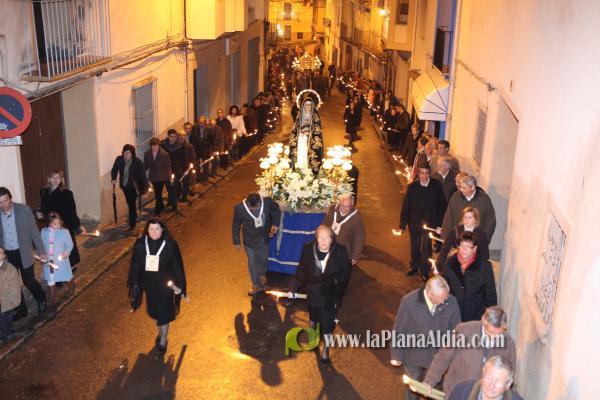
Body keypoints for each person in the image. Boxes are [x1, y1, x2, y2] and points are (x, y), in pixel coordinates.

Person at [390, 276, 461, 400]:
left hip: (437, 357)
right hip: (413, 355)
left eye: (445, 297)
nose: (444, 301)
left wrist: (453, 355)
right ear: (429, 294)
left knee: (434, 389)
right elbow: (400, 329)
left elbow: (455, 330)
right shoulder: (409, 302)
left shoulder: (451, 301)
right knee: (412, 387)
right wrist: (396, 355)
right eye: (441, 298)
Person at [288, 225, 352, 363]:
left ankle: (326, 348)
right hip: (313, 292)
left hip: (330, 294)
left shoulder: (340, 251)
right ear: (316, 238)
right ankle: (313, 337)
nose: (323, 241)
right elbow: (301, 271)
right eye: (320, 238)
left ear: (332, 239)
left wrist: (335, 288)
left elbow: (345, 274)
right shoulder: (307, 250)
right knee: (313, 316)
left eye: (326, 238)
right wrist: (293, 288)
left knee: (327, 323)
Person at [424, 306, 517, 396]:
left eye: (498, 334)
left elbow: (509, 375)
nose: (493, 338)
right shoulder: (464, 330)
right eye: (490, 332)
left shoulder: (508, 343)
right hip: (457, 392)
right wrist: (429, 381)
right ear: (484, 322)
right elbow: (443, 358)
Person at [128, 219, 186, 353]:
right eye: (151, 229)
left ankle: (163, 340)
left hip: (166, 286)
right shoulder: (141, 244)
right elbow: (135, 266)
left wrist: (181, 285)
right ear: (147, 231)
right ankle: (161, 334)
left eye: (157, 229)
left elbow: (178, 267)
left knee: (163, 314)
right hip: (150, 286)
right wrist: (135, 284)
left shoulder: (170, 245)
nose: (154, 232)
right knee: (155, 313)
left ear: (162, 230)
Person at [0, 187, 47, 318]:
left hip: (24, 251)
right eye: (0, 202)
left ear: (10, 199)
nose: (3, 205)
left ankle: (41, 298)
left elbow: (34, 231)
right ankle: (21, 310)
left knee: (28, 281)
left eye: (5, 200)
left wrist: (41, 251)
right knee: (13, 284)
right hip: (7, 254)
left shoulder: (24, 210)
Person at [399, 166, 446, 279]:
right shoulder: (412, 187)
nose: (424, 176)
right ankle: (414, 266)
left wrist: (440, 224)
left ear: (430, 173)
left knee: (426, 248)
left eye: (426, 173)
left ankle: (425, 271)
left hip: (430, 224)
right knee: (415, 246)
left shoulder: (436, 186)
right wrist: (402, 224)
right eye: (422, 173)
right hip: (414, 223)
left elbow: (442, 206)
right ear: (418, 174)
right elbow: (406, 206)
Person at [232, 192, 281, 296]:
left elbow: (276, 210)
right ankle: (255, 285)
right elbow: (236, 224)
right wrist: (236, 241)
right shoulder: (240, 208)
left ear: (260, 202)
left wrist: (275, 224)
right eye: (251, 207)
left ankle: (263, 279)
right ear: (247, 203)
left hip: (264, 237)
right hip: (249, 240)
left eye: (256, 207)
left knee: (263, 259)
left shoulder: (268, 202)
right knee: (252, 262)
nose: (254, 209)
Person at [443, 232, 497, 321]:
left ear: (474, 248)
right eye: (461, 246)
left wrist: (491, 317)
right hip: (453, 313)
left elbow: (490, 295)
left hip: (474, 315)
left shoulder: (484, 266)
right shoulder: (450, 263)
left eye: (467, 247)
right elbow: (444, 287)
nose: (463, 250)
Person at [38, 170, 83, 271]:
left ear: (61, 179)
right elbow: (44, 209)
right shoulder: (44, 192)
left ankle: (70, 267)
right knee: (54, 248)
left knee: (66, 246)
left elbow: (72, 211)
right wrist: (41, 215)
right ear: (49, 179)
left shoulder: (67, 193)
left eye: (58, 177)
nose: (55, 180)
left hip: (64, 225)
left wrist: (77, 226)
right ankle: (57, 267)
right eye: (53, 177)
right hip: (51, 226)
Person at [442, 175, 497, 242]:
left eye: (464, 188)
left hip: (476, 240)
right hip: (457, 239)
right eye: (461, 187)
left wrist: (483, 239)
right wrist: (445, 238)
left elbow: (490, 221)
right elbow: (448, 219)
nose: (461, 190)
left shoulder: (484, 199)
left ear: (472, 187)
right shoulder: (455, 197)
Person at [447, 356, 523, 400]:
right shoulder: (462, 391)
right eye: (489, 378)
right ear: (483, 375)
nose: (491, 385)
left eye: (498, 381)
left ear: (508, 384)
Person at [111, 144, 149, 229]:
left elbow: (142, 173)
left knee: (131, 203)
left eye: (128, 153)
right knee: (130, 202)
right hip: (124, 186)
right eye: (125, 153)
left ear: (132, 153)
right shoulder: (119, 159)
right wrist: (113, 178)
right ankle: (134, 216)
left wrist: (146, 185)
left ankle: (132, 222)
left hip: (134, 186)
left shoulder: (137, 161)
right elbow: (114, 169)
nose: (126, 155)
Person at [41, 212, 75, 304]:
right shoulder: (44, 232)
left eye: (58, 223)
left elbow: (70, 244)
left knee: (66, 276)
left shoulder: (64, 232)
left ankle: (71, 287)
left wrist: (66, 252)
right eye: (54, 224)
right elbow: (41, 245)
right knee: (50, 278)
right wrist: (42, 254)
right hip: (49, 261)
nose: (57, 226)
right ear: (49, 223)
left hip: (61, 261)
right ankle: (52, 295)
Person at [321, 195, 365, 265]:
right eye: (342, 205)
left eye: (347, 207)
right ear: (339, 203)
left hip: (344, 251)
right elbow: (324, 225)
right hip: (329, 247)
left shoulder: (356, 218)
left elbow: (359, 238)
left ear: (352, 206)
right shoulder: (332, 209)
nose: (344, 209)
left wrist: (355, 256)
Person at [289, 94, 324, 173]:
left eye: (309, 105)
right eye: (306, 105)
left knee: (310, 157)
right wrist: (300, 133)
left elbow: (318, 130)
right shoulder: (300, 116)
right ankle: (300, 170)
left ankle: (310, 172)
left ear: (312, 106)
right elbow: (295, 129)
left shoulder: (315, 116)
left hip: (310, 140)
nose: (308, 107)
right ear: (303, 106)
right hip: (301, 139)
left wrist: (310, 133)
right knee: (301, 156)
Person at [143, 137, 174, 216]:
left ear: (159, 145)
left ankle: (157, 210)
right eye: (153, 145)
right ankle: (161, 206)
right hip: (153, 176)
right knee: (158, 193)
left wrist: (170, 176)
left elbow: (168, 165)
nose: (155, 147)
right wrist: (142, 172)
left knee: (158, 193)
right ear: (151, 146)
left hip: (162, 176)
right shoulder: (147, 153)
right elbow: (145, 165)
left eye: (156, 145)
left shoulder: (164, 154)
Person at [0, 246, 22, 341]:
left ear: (4, 256)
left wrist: (12, 301)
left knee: (4, 319)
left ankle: (8, 334)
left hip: (8, 300)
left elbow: (15, 287)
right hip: (4, 300)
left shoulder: (9, 270)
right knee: (6, 319)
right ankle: (9, 331)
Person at [161, 130, 186, 209]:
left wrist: (183, 169)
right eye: (171, 137)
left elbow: (183, 158)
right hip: (166, 170)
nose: (173, 139)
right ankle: (170, 201)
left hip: (176, 170)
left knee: (174, 187)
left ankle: (174, 205)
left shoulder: (180, 146)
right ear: (168, 136)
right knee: (168, 187)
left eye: (175, 137)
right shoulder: (163, 145)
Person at [190, 116, 213, 184]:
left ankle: (205, 179)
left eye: (203, 122)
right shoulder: (194, 128)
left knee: (205, 165)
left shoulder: (209, 129)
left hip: (206, 149)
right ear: (198, 122)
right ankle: (198, 178)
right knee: (197, 164)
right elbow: (192, 138)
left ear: (205, 122)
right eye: (200, 122)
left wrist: (213, 149)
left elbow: (212, 139)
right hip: (197, 149)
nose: (201, 124)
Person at [178, 131, 197, 202]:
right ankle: (178, 195)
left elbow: (193, 158)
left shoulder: (189, 146)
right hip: (177, 168)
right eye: (180, 135)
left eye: (183, 135)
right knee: (177, 183)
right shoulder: (175, 146)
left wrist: (192, 168)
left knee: (185, 183)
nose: (182, 136)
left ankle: (184, 197)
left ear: (185, 136)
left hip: (186, 168)